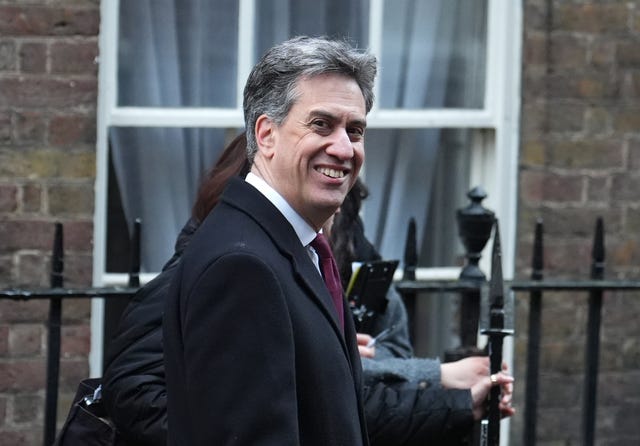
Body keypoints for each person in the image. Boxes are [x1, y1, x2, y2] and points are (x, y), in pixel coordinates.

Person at [162, 36, 376, 445]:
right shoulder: (241, 267)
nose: (344, 148)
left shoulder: (296, 247)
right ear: (266, 134)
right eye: (321, 124)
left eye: (355, 130)